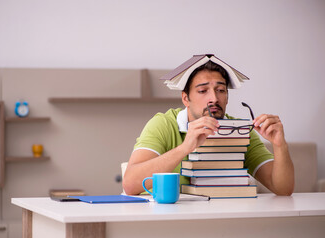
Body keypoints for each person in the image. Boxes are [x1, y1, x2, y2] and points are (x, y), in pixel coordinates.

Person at [123, 61, 294, 196]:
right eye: (203, 90)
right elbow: (130, 184)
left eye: (220, 90)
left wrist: (280, 145)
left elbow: (283, 189)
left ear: (227, 97)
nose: (214, 98)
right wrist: (185, 147)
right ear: (185, 99)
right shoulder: (164, 124)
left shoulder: (241, 130)